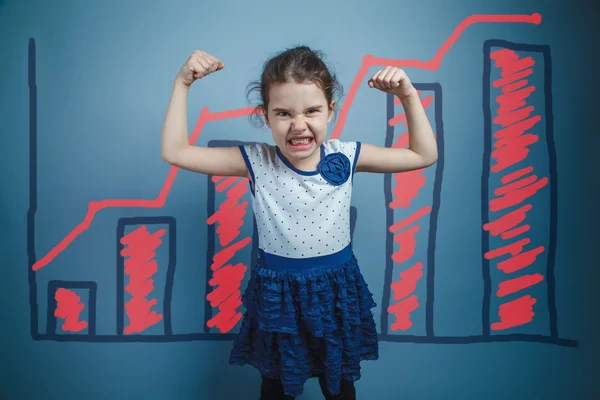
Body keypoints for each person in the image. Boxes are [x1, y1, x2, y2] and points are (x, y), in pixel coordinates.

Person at [161, 46, 438, 399]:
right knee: (275, 386)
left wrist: (407, 94)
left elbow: (423, 154)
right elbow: (175, 151)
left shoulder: (347, 155)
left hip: (335, 289)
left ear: (330, 110)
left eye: (311, 111)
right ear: (265, 115)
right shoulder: (255, 161)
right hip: (279, 293)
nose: (298, 124)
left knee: (338, 386)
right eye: (283, 113)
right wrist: (182, 83)